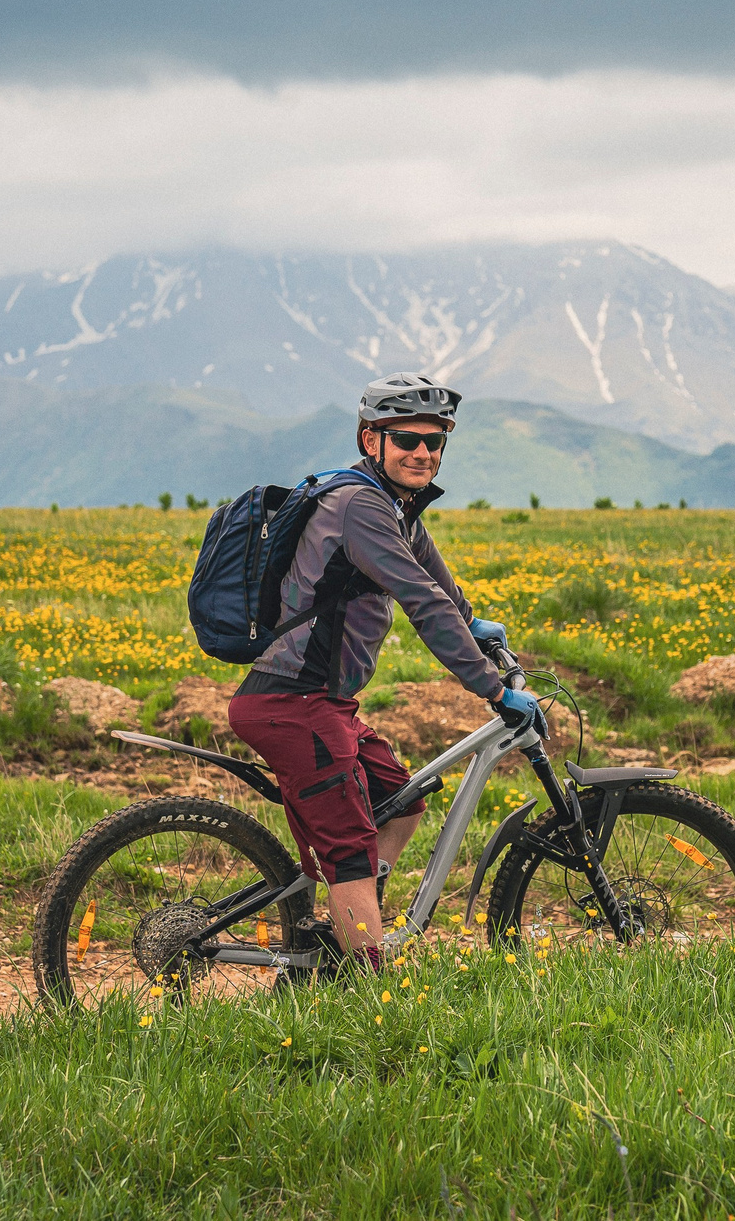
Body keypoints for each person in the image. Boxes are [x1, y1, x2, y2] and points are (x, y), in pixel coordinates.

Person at [224, 371, 543, 973]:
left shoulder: (396, 507)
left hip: (326, 702)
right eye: (407, 440)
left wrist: (473, 624)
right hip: (293, 703)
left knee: (403, 799)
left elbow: (436, 585)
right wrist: (492, 689)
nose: (423, 452)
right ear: (372, 440)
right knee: (349, 852)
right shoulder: (359, 506)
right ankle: (367, 983)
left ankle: (347, 925)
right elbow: (420, 603)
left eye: (435, 441)